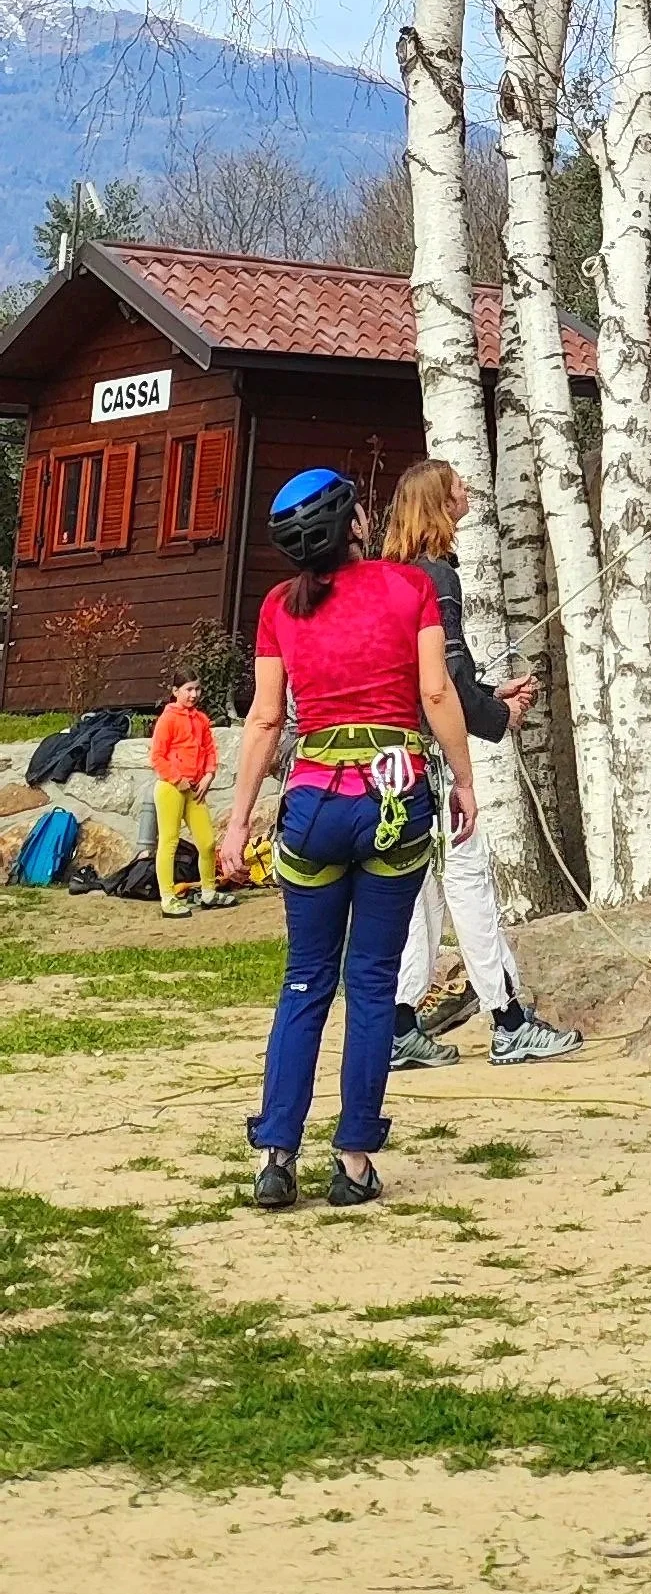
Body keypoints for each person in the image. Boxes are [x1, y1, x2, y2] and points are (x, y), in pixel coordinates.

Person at [217, 466, 478, 1211]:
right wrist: (464, 781)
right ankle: (354, 1159)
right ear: (355, 524)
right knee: (371, 981)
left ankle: (276, 1155)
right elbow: (436, 691)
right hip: (395, 800)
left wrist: (237, 820)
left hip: (313, 806)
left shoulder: (278, 606)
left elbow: (267, 719)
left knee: (305, 978)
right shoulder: (410, 586)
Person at [381, 458, 582, 1068]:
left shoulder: (387, 578)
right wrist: (498, 716)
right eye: (458, 487)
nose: (467, 491)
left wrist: (488, 696)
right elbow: (443, 681)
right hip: (432, 765)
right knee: (469, 884)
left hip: (389, 766)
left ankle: (397, 1026)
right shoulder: (438, 578)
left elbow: (431, 680)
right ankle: (508, 1020)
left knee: (416, 895)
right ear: (440, 504)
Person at [147, 674, 235, 918]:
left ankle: (208, 892)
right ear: (175, 691)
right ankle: (168, 898)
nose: (194, 694)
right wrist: (177, 779)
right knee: (169, 842)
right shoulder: (167, 719)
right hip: (171, 788)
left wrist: (209, 774)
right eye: (188, 689)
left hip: (195, 789)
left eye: (197, 689)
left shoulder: (201, 719)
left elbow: (209, 750)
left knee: (207, 842)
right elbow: (157, 757)